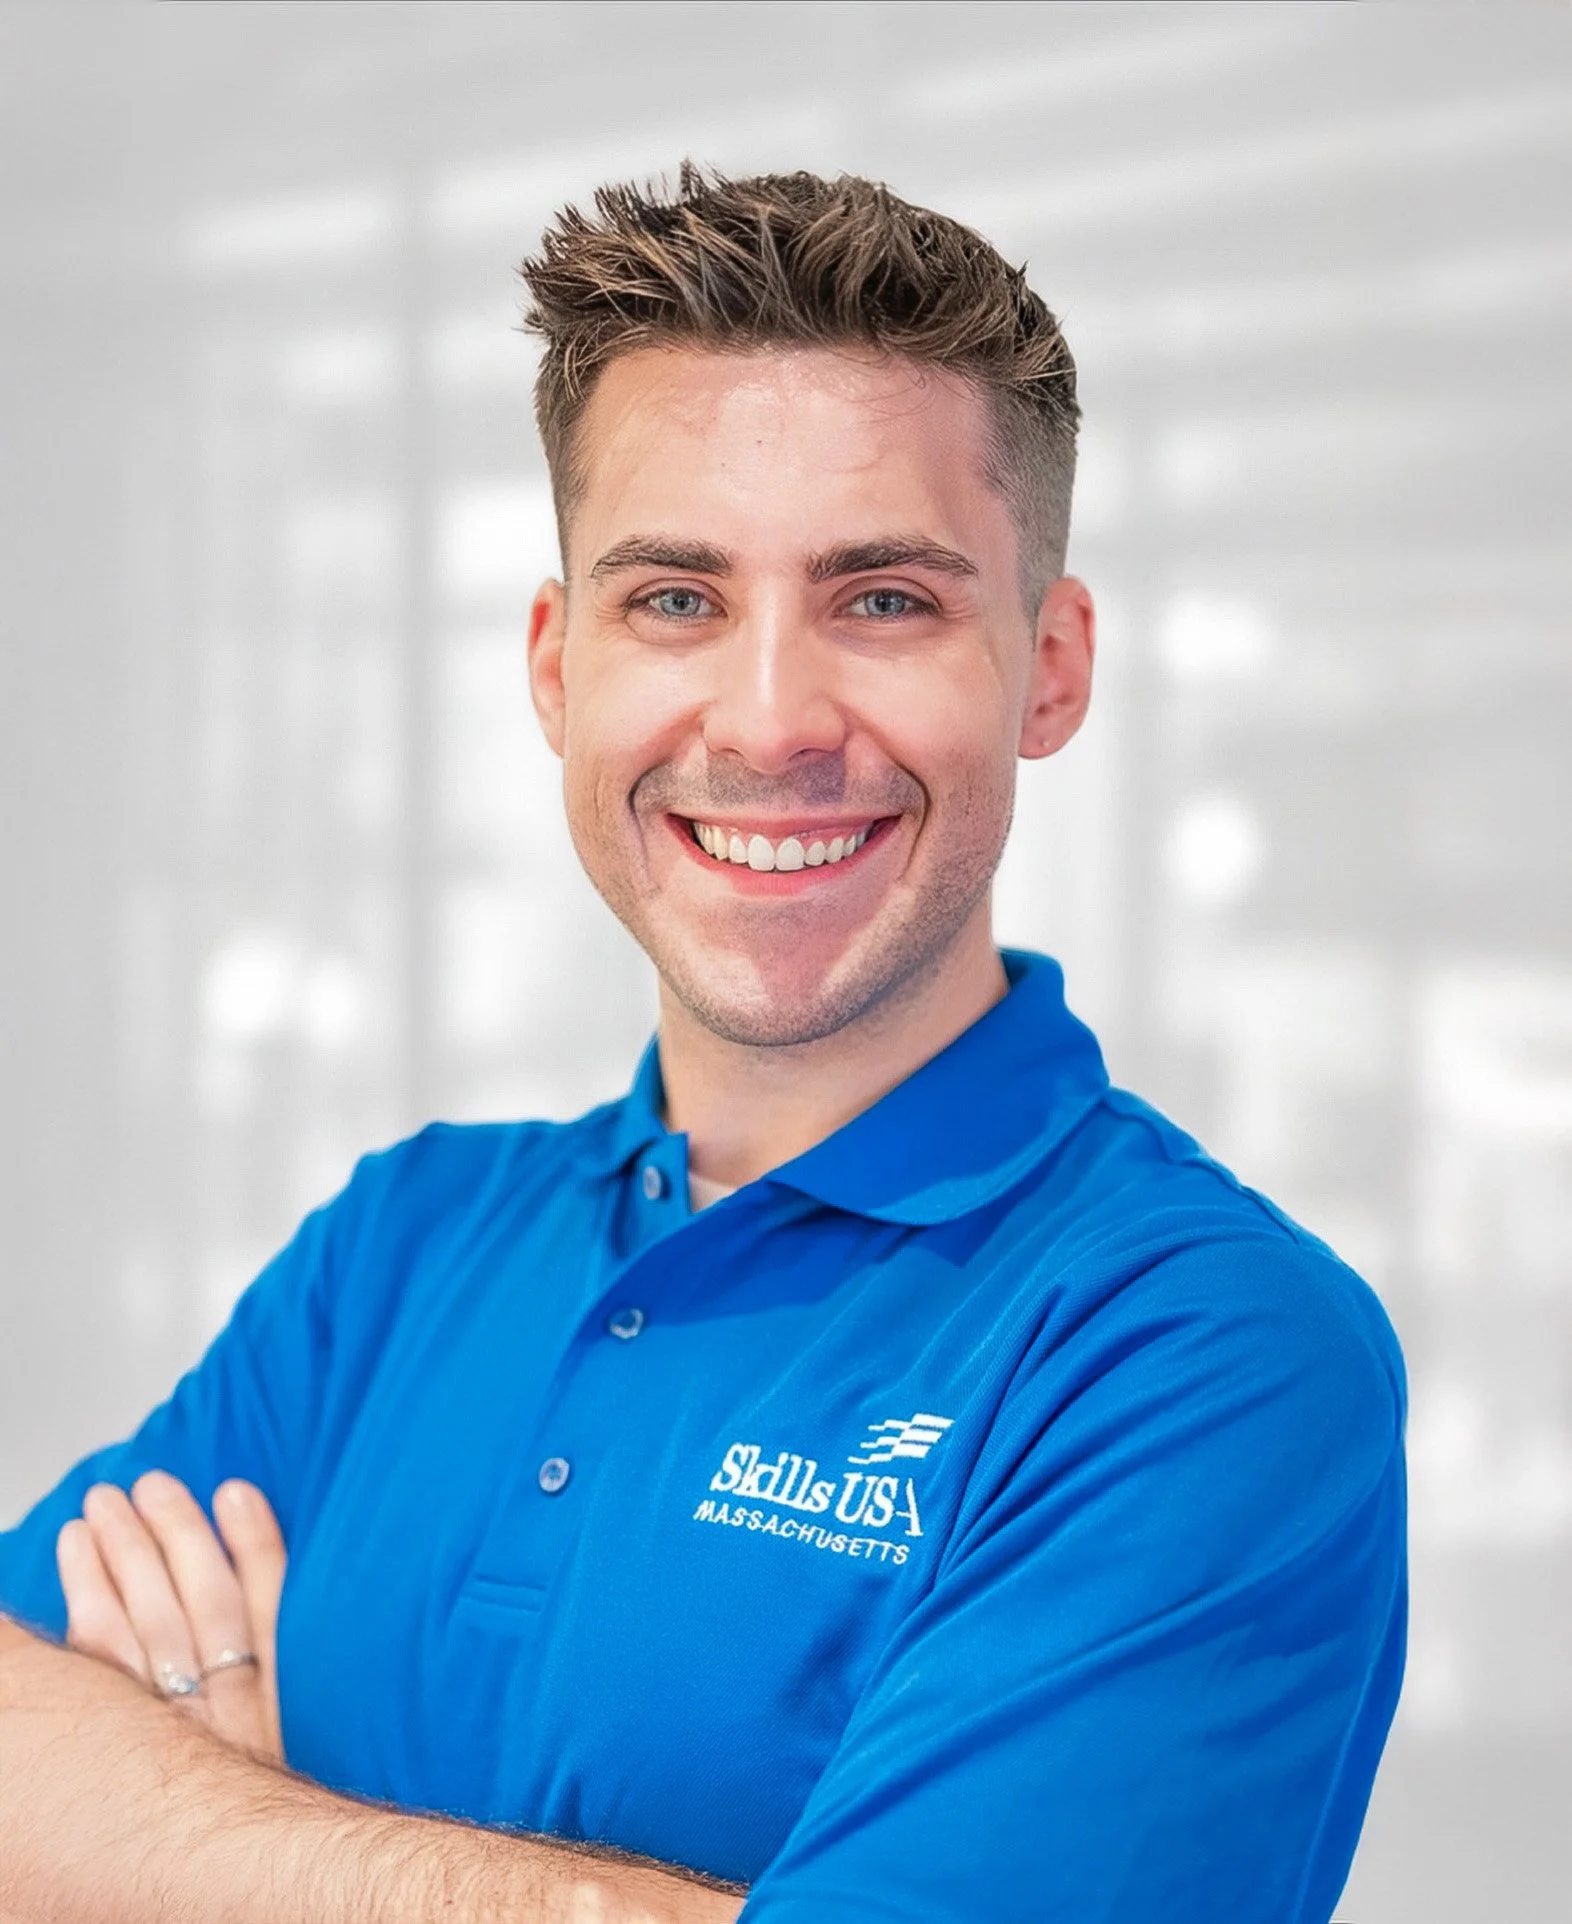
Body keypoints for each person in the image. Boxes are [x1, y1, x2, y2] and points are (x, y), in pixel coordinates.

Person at [0, 165, 1406, 1924]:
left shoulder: (1200, 1351)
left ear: (1049, 667)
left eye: (882, 600)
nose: (768, 722)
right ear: (556, 665)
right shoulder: (402, 1246)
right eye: (675, 599)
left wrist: (192, 1827)